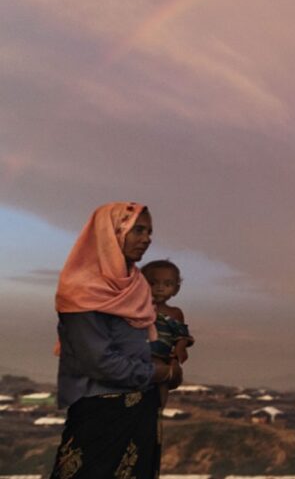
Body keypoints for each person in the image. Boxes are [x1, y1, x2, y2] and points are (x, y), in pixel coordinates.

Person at [50, 202, 180, 479]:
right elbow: (98, 361)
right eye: (138, 230)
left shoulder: (137, 285)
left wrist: (165, 369)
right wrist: (160, 372)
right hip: (100, 413)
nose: (147, 239)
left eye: (149, 232)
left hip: (142, 408)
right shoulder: (82, 288)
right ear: (112, 233)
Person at [141, 259, 193, 407]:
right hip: (138, 353)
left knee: (163, 381)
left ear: (176, 289)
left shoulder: (174, 313)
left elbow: (182, 335)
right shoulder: (137, 309)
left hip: (161, 356)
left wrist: (179, 349)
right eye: (153, 283)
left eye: (167, 284)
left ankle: (158, 410)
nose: (160, 288)